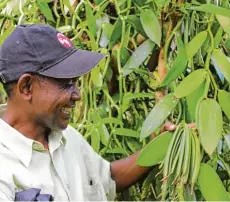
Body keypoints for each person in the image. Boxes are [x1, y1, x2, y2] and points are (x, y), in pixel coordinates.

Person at [0, 24, 177, 201]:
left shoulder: (67, 138)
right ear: (26, 87)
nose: (77, 95)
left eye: (75, 83)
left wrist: (161, 145)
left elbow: (108, 179)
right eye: (66, 84)